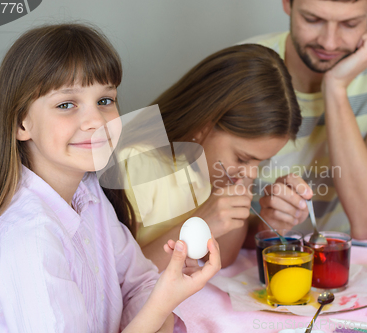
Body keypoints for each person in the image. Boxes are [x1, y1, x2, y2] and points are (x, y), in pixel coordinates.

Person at [0, 23, 221, 333]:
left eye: (105, 101)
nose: (96, 121)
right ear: (22, 124)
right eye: (66, 104)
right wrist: (161, 304)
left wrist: (158, 300)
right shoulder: (29, 239)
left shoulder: (90, 195)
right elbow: (152, 302)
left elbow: (141, 283)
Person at [242, 0, 367, 239]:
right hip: (259, 254)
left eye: (350, 24)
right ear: (287, 4)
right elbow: (222, 233)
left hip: (337, 254)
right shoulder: (242, 69)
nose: (329, 42)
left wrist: (335, 87)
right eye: (312, 20)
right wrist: (265, 226)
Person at [119, 44, 313, 271]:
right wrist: (199, 224)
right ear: (202, 126)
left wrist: (272, 224)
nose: (252, 173)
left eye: (261, 162)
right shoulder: (136, 163)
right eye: (242, 158)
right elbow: (117, 279)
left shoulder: (218, 172)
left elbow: (225, 258)